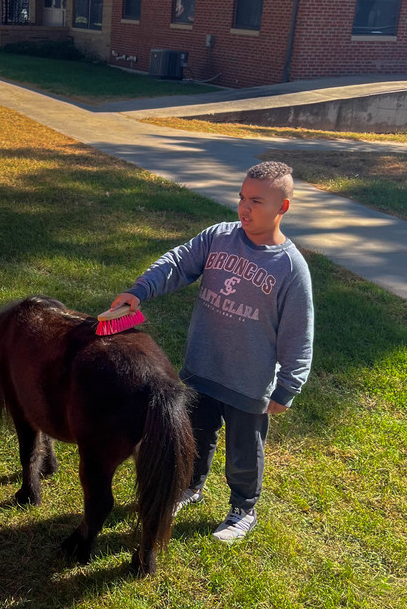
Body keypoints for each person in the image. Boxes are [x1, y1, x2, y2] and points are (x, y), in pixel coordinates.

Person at [108, 160, 314, 543]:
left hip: (248, 382)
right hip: (202, 367)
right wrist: (140, 290)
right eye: (241, 198)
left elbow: (298, 332)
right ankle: (190, 487)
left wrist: (288, 386)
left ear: (282, 207)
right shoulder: (219, 237)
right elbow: (176, 263)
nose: (244, 208)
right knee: (195, 437)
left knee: (243, 451)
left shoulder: (290, 267)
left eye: (256, 201)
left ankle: (243, 508)